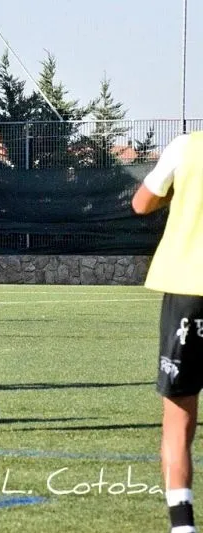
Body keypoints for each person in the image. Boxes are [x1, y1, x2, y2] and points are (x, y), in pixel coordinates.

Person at [132, 131, 203, 533]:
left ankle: (182, 525)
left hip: (188, 290)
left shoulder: (186, 146)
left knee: (178, 415)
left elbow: (141, 203)